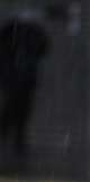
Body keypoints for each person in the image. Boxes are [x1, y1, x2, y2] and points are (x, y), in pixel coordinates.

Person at [0, 11, 49, 162]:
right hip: (19, 79)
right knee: (16, 108)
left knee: (18, 109)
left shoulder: (29, 35)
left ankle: (15, 139)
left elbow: (43, 48)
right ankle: (15, 139)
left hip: (21, 79)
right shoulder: (17, 34)